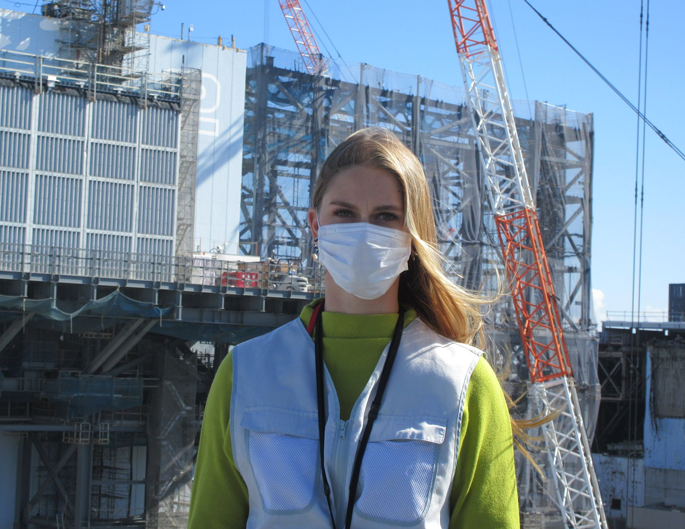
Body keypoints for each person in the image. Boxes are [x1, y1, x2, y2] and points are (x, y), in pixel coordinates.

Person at [188, 128, 519, 528]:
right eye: (344, 213)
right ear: (315, 225)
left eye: (386, 217)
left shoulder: (465, 384)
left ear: (412, 236)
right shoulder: (243, 373)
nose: (364, 232)